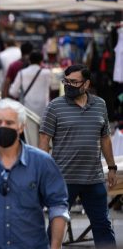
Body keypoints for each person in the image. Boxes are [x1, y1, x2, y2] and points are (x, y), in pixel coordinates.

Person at [0, 98, 69, 249]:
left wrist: (55, 247)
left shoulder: (42, 162)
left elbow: (58, 207)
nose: (3, 127)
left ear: (21, 127)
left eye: (9, 123)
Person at [39, 64, 118, 248]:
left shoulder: (100, 104)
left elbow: (105, 137)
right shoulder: (55, 106)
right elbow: (44, 140)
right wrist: (42, 172)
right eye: (66, 81)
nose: (68, 85)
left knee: (103, 225)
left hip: (94, 178)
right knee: (56, 227)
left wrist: (112, 167)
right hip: (63, 178)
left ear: (86, 83)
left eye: (74, 82)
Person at [9, 51, 52, 117]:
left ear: (29, 61)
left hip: (27, 111)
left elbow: (13, 92)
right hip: (44, 110)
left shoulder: (21, 73)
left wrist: (20, 93)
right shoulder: (47, 73)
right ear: (41, 61)